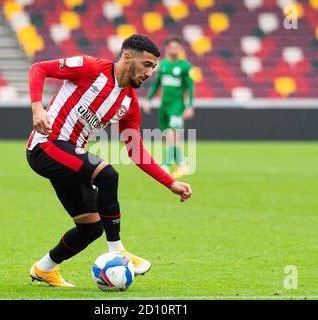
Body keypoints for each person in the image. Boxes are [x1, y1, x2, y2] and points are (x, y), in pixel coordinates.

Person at [26, 34, 193, 287]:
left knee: (91, 228)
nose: (150, 73)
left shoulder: (129, 103)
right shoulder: (89, 68)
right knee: (108, 174)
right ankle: (118, 250)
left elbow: (135, 151)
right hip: (45, 146)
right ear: (127, 58)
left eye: (153, 67)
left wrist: (171, 183)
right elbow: (39, 68)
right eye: (147, 65)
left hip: (70, 156)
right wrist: (38, 108)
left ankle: (44, 268)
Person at [144, 36, 195, 178]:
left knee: (173, 134)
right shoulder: (163, 65)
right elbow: (156, 84)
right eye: (170, 46)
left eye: (175, 46)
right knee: (167, 135)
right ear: (166, 49)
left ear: (180, 49)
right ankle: (181, 164)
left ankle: (166, 165)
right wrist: (148, 100)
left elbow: (190, 87)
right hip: (164, 105)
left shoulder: (185, 66)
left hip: (177, 105)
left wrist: (190, 106)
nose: (173, 49)